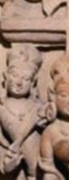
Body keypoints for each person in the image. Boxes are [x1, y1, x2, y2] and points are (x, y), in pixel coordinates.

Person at [0, 45, 45, 179]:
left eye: (26, 78)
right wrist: (6, 166)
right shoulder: (2, 107)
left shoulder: (37, 107)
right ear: (6, 77)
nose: (19, 82)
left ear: (33, 83)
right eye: (15, 75)